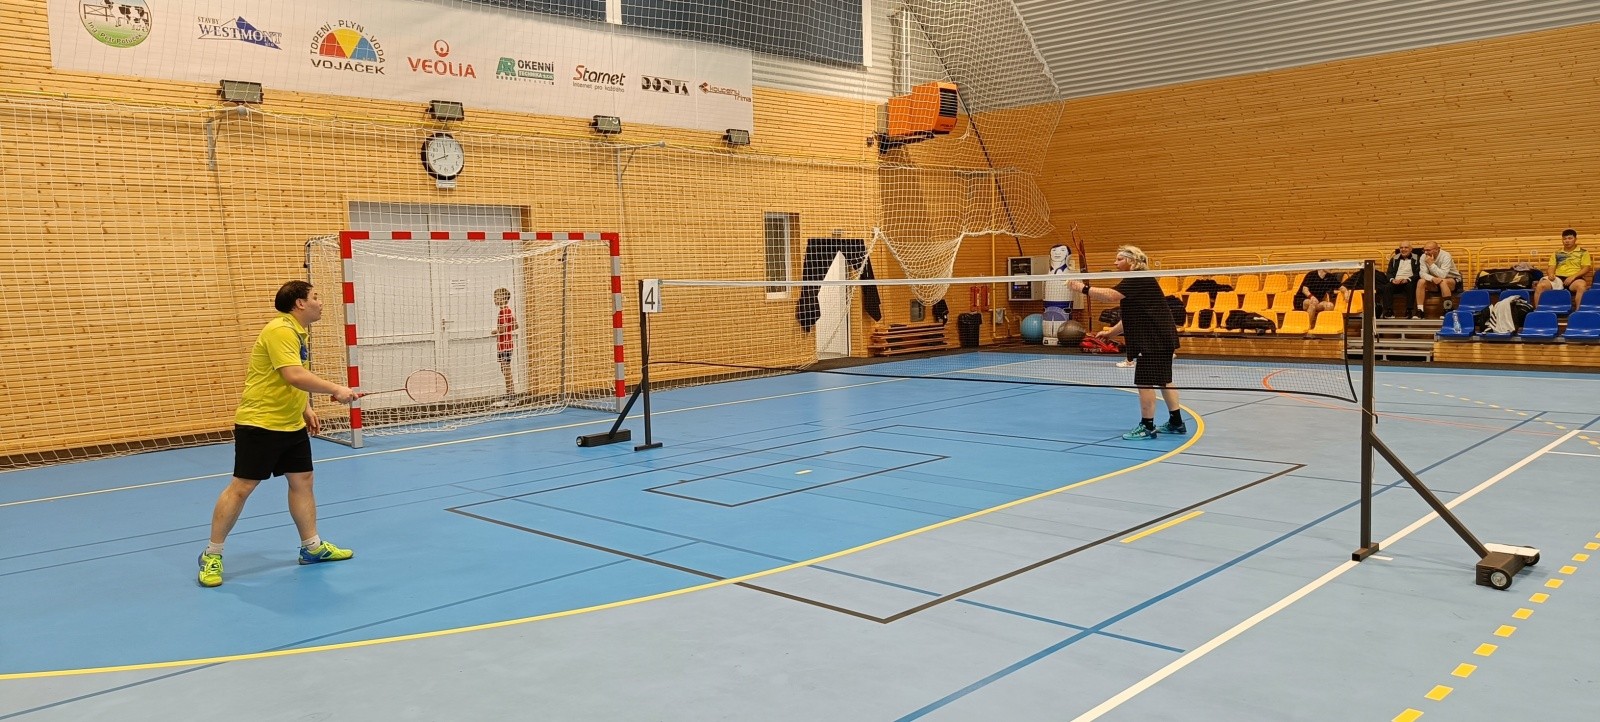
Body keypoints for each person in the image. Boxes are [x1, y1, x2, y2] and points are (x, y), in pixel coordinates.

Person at [198, 281, 358, 588]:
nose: (321, 302)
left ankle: (312, 547)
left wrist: (304, 408)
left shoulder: (297, 332)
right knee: (242, 487)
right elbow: (293, 375)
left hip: (290, 424)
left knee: (302, 480)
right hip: (261, 423)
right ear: (299, 303)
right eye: (315, 296)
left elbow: (287, 379)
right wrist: (337, 388)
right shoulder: (280, 330)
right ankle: (211, 554)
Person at [1072, 245, 1183, 440]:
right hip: (1161, 338)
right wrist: (1111, 333)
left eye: (1119, 259)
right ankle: (1176, 422)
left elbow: (1110, 295)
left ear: (1131, 261)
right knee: (1164, 380)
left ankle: (1147, 426)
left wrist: (1082, 288)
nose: (1115, 263)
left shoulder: (1138, 278)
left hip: (1152, 341)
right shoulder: (1139, 280)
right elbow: (1132, 316)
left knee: (1145, 382)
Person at [1533, 229, 1592, 310]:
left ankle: (1578, 312)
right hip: (1558, 278)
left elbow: (1586, 268)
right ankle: (1538, 311)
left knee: (1581, 286)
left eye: (1570, 238)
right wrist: (1551, 274)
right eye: (1564, 239)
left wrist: (1573, 277)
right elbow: (1551, 266)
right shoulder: (1557, 253)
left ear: (1575, 239)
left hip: (1575, 278)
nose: (1567, 241)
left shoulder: (1583, 252)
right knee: (1540, 285)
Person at [1040, 243, 1082, 346]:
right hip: (1048, 301)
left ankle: (1062, 337)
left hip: (1065, 302)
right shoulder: (1048, 275)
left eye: (1062, 250)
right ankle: (1048, 335)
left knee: (1064, 313)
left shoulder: (1070, 274)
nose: (1057, 253)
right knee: (1048, 313)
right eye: (1054, 251)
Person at [1415, 241, 1461, 317]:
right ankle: (1420, 310)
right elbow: (1422, 273)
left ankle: (1448, 308)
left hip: (1451, 279)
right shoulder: (1423, 256)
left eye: (1428, 250)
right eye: (1424, 250)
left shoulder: (1446, 255)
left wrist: (1431, 264)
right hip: (1435, 280)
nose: (1426, 252)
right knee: (1421, 281)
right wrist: (1432, 278)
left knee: (1443, 281)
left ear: (1437, 249)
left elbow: (1442, 275)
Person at [1379, 244, 1422, 318]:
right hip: (1396, 281)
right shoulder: (1394, 259)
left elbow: (1418, 273)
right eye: (1401, 248)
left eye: (1406, 247)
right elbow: (1389, 273)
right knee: (1387, 287)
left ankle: (1409, 310)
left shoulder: (1417, 259)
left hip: (1409, 281)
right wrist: (1392, 280)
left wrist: (1407, 279)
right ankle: (1389, 311)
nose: (1403, 249)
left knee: (1411, 286)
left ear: (1411, 249)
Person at [493, 287, 519, 399]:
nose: (494, 299)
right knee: (504, 369)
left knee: (506, 368)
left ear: (503, 298)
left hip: (505, 345)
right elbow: (515, 325)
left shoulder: (503, 312)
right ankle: (510, 392)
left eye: (496, 297)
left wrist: (496, 331)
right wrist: (505, 329)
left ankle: (511, 395)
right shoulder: (507, 311)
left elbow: (503, 328)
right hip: (504, 344)